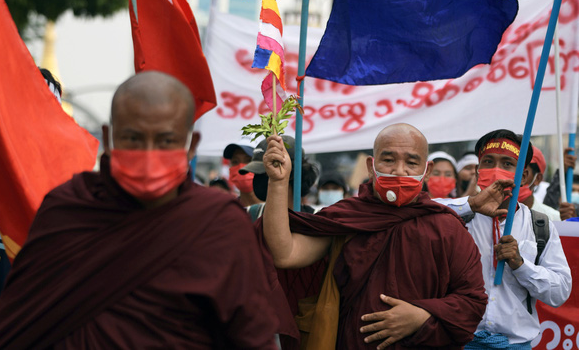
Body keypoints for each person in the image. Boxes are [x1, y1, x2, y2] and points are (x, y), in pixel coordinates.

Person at [0, 71, 278, 349]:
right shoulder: (68, 209)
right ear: (109, 136)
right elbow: (17, 327)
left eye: (166, 141)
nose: (149, 155)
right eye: (133, 139)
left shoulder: (218, 224)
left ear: (191, 147)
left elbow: (251, 336)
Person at [261, 123, 487, 349]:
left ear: (426, 170)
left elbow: (472, 302)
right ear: (371, 165)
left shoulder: (446, 227)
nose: (399, 171)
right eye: (388, 160)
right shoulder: (348, 218)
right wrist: (278, 182)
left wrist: (420, 316)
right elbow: (286, 254)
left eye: (411, 162)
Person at [442, 129, 571, 349]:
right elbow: (418, 210)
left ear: (524, 176)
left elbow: (559, 292)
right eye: (488, 161)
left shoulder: (539, 225)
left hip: (516, 345)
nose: (496, 170)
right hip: (459, 342)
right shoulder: (453, 216)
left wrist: (521, 265)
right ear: (477, 169)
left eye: (508, 164)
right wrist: (470, 205)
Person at [518, 146, 561, 221]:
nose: (510, 176)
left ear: (538, 178)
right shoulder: (492, 215)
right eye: (508, 165)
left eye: (520, 171)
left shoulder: (552, 219)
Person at [223, 136, 261, 206]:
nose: (241, 167)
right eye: (235, 161)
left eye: (249, 160)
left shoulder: (277, 209)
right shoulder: (227, 210)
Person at [542, 147, 578, 220]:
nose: (576, 194)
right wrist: (562, 170)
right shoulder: (553, 214)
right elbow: (550, 201)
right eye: (572, 190)